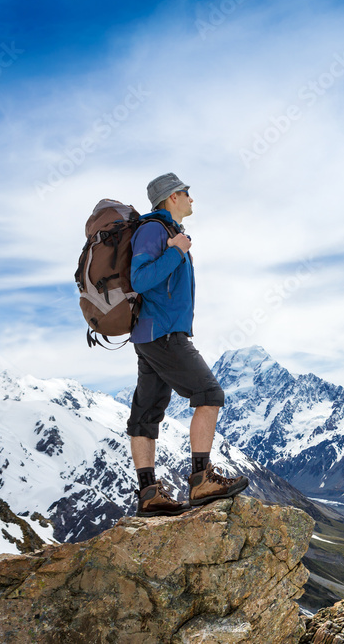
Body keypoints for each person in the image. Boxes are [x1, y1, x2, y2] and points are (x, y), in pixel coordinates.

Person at [126, 172, 248, 516]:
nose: (192, 199)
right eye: (186, 193)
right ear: (171, 198)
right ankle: (201, 480)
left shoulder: (168, 232)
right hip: (163, 333)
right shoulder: (154, 231)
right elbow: (140, 278)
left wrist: (177, 247)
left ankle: (149, 494)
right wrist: (177, 252)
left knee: (145, 416)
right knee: (209, 395)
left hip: (153, 335)